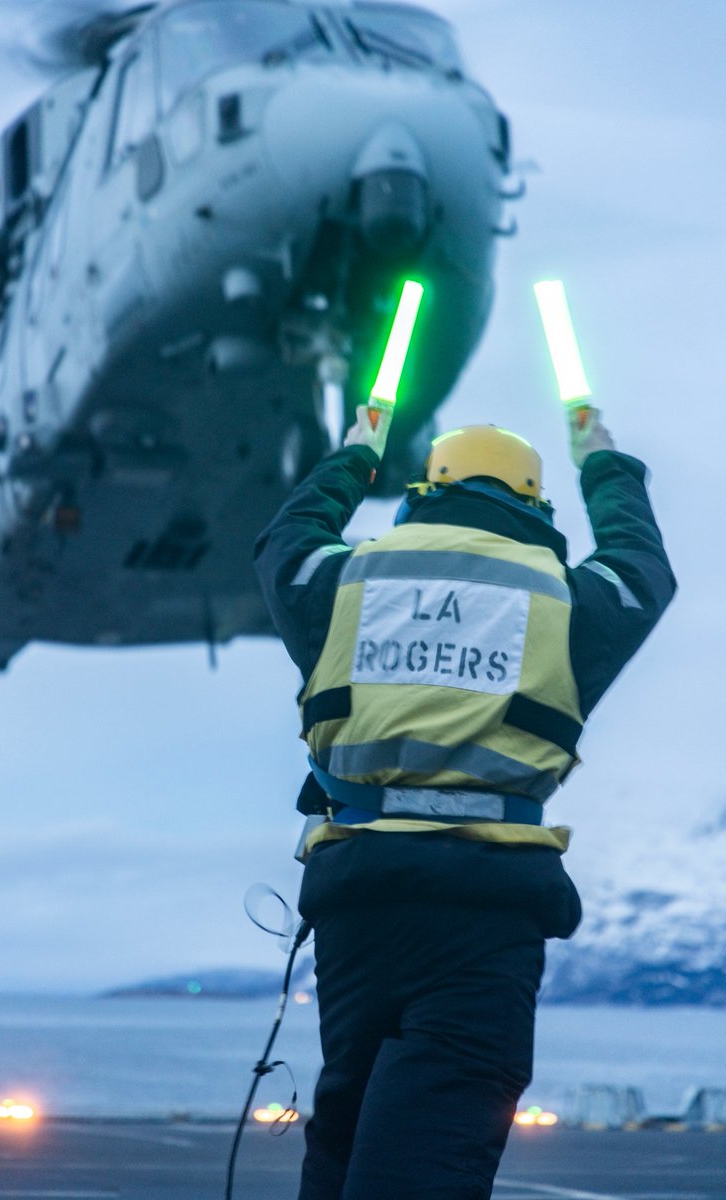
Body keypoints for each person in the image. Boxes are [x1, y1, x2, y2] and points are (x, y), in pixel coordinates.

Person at [253, 404, 676, 1200]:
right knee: (432, 1155)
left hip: (358, 909)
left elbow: (285, 541)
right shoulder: (565, 603)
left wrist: (353, 454)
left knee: (343, 1137)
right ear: (536, 506)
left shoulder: (345, 580)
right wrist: (605, 464)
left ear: (425, 491)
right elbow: (642, 569)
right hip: (486, 916)